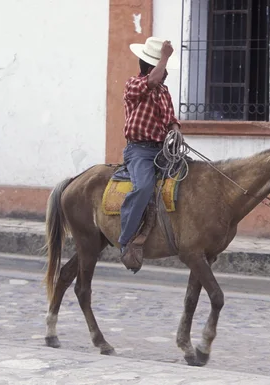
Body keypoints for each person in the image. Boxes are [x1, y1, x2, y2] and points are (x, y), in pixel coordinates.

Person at [118, 37, 180, 271]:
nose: (165, 74)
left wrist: (175, 130)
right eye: (162, 67)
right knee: (143, 187)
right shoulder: (134, 84)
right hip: (140, 151)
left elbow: (171, 119)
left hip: (161, 150)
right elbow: (152, 80)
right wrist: (164, 56)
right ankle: (126, 241)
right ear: (151, 66)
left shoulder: (164, 91)